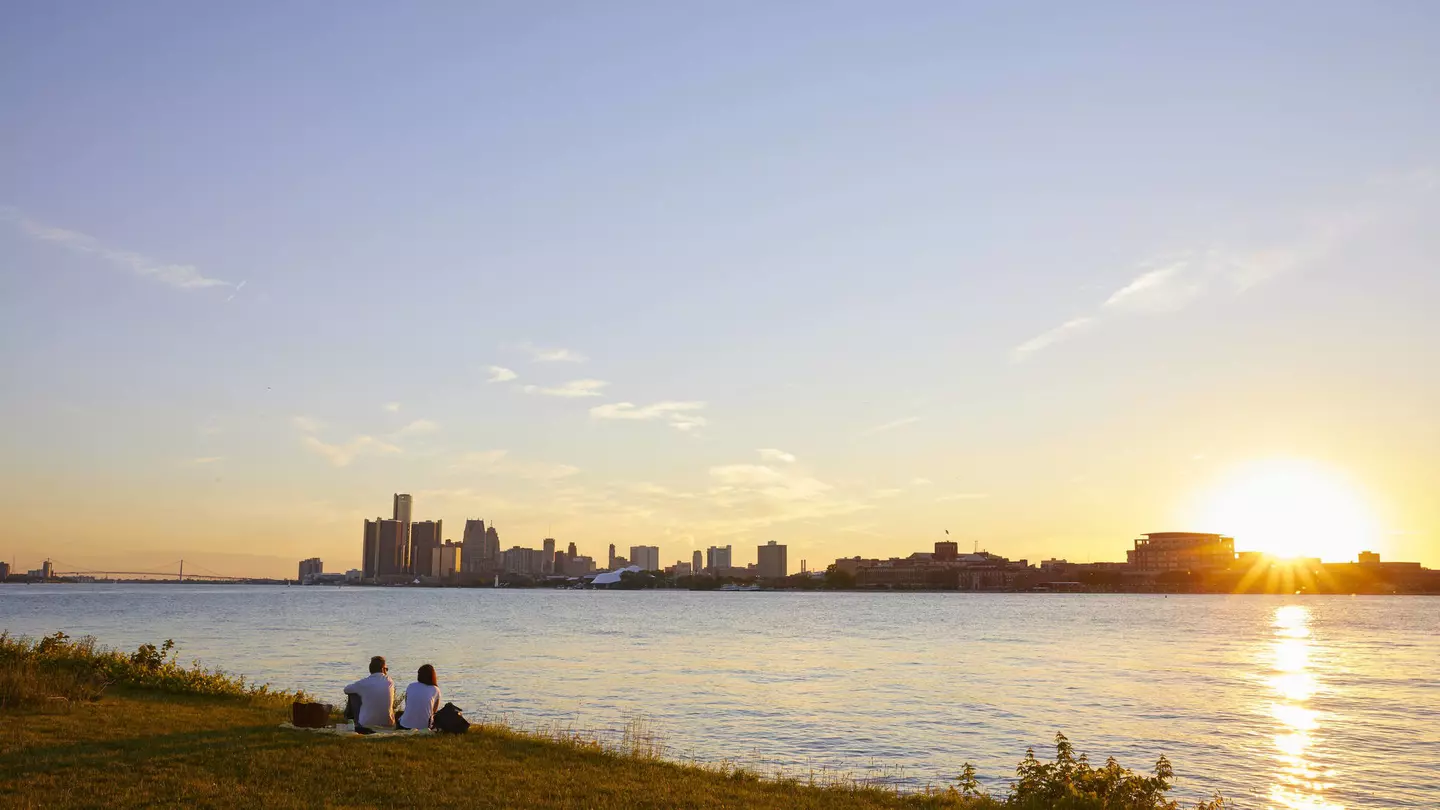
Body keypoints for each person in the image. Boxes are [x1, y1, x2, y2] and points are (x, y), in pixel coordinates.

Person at [343, 655, 395, 733]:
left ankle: (352, 720)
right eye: (386, 669)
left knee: (353, 694)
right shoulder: (390, 681)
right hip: (388, 724)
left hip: (366, 724)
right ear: (383, 669)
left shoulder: (363, 683)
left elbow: (346, 689)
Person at [397, 664, 441, 731]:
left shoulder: (411, 686)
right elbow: (433, 711)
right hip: (425, 726)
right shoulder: (435, 689)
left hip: (404, 725)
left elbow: (407, 704)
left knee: (398, 714)